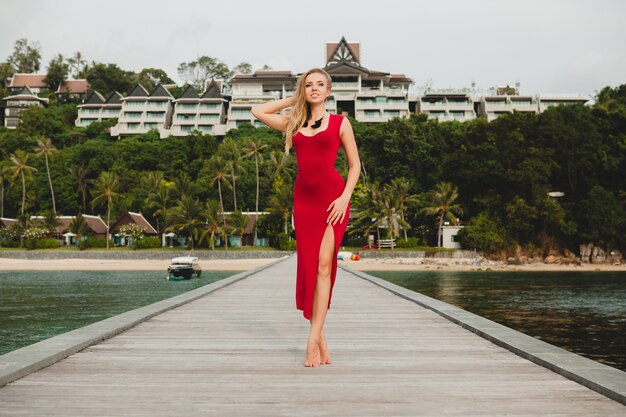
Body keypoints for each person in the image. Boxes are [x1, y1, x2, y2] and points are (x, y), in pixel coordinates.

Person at [252, 68, 361, 367]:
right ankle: (321, 339)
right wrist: (294, 97)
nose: (314, 89)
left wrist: (344, 198)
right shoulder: (293, 124)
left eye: (319, 85)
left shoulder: (341, 123)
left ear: (329, 90)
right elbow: (257, 109)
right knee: (310, 268)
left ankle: (311, 341)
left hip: (333, 201)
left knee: (325, 266)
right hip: (304, 202)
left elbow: (355, 166)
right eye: (308, 85)